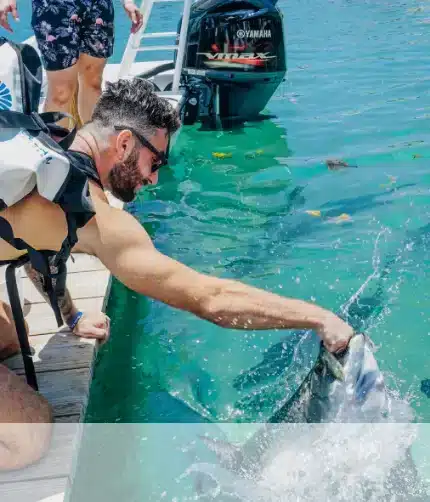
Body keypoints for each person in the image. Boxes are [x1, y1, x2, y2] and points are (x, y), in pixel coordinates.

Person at [0, 78, 354, 469]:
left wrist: (72, 315)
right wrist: (318, 318)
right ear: (123, 144)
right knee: (29, 436)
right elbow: (211, 299)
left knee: (11, 339)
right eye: (156, 162)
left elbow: (38, 250)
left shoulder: (49, 145)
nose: (153, 179)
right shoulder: (100, 219)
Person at [0, 0, 143, 127]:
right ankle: (59, 150)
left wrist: (127, 2)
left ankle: (93, 149)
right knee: (61, 92)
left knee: (93, 82)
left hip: (97, 6)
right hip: (54, 7)